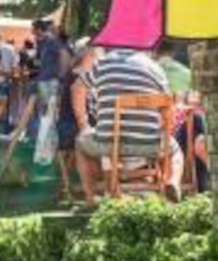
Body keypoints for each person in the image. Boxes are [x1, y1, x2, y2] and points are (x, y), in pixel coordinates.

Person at [73, 47, 183, 208]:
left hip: (109, 142)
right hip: (149, 144)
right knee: (174, 150)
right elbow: (167, 107)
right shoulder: (155, 68)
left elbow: (76, 87)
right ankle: (173, 183)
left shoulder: (103, 63)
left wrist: (83, 123)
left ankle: (91, 199)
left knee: (81, 143)